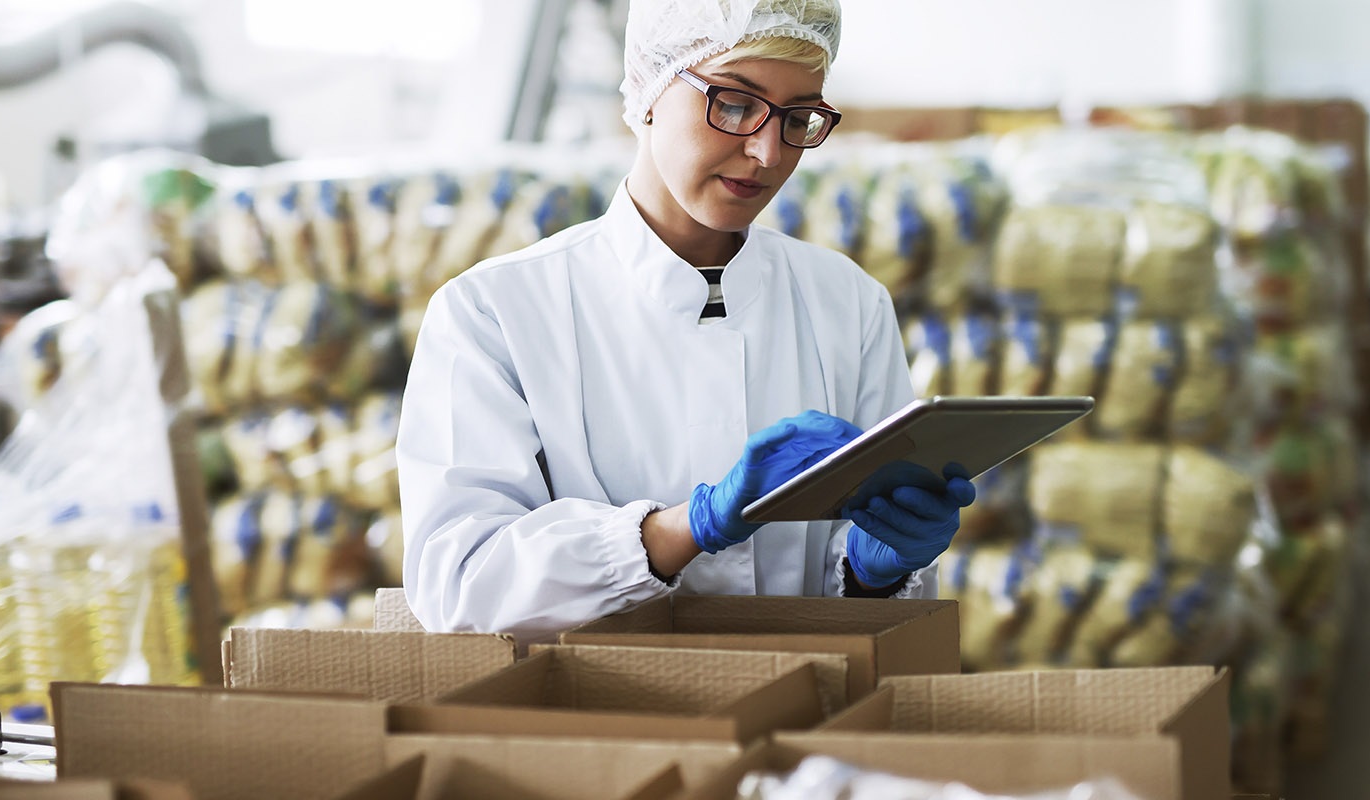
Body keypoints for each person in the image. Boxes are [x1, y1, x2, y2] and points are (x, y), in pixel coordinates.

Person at [397, 0, 975, 643]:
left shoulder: (848, 304)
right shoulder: (495, 311)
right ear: (649, 86)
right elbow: (457, 582)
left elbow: (862, 600)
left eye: (798, 117)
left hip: (805, 710)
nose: (766, 151)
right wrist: (684, 529)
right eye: (733, 103)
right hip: (595, 722)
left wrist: (877, 571)